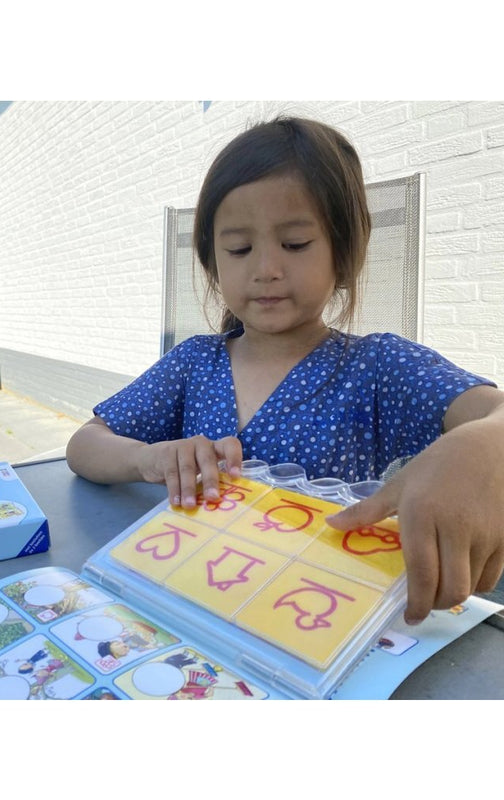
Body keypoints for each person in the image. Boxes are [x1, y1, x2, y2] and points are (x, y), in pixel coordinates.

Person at [66, 116, 504, 625]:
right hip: (189, 599)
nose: (266, 268)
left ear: (345, 254)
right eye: (239, 248)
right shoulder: (194, 362)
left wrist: (484, 447)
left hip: (317, 618)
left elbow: (493, 411)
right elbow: (84, 444)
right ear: (213, 262)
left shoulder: (378, 366)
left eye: (295, 244)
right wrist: (150, 458)